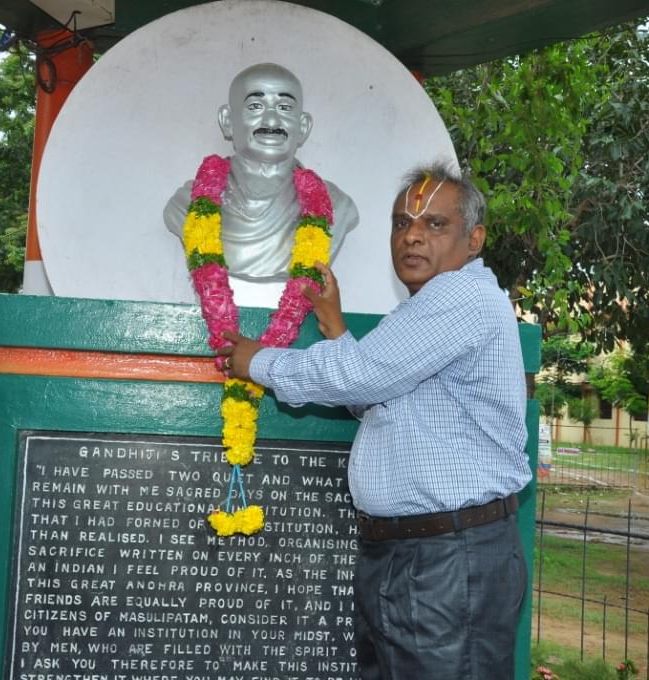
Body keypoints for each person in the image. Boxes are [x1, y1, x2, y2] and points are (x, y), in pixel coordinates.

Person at [219, 161, 531, 679]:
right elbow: (379, 401)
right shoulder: (421, 311)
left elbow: (364, 378)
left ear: (474, 239)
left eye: (435, 224)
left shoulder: (462, 297)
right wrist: (337, 329)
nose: (412, 236)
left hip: (448, 563)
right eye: (401, 223)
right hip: (414, 559)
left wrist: (256, 362)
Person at [163, 62, 358, 280]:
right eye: (256, 106)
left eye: (285, 108)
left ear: (303, 126)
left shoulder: (336, 205)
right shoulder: (188, 203)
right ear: (227, 121)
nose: (272, 121)